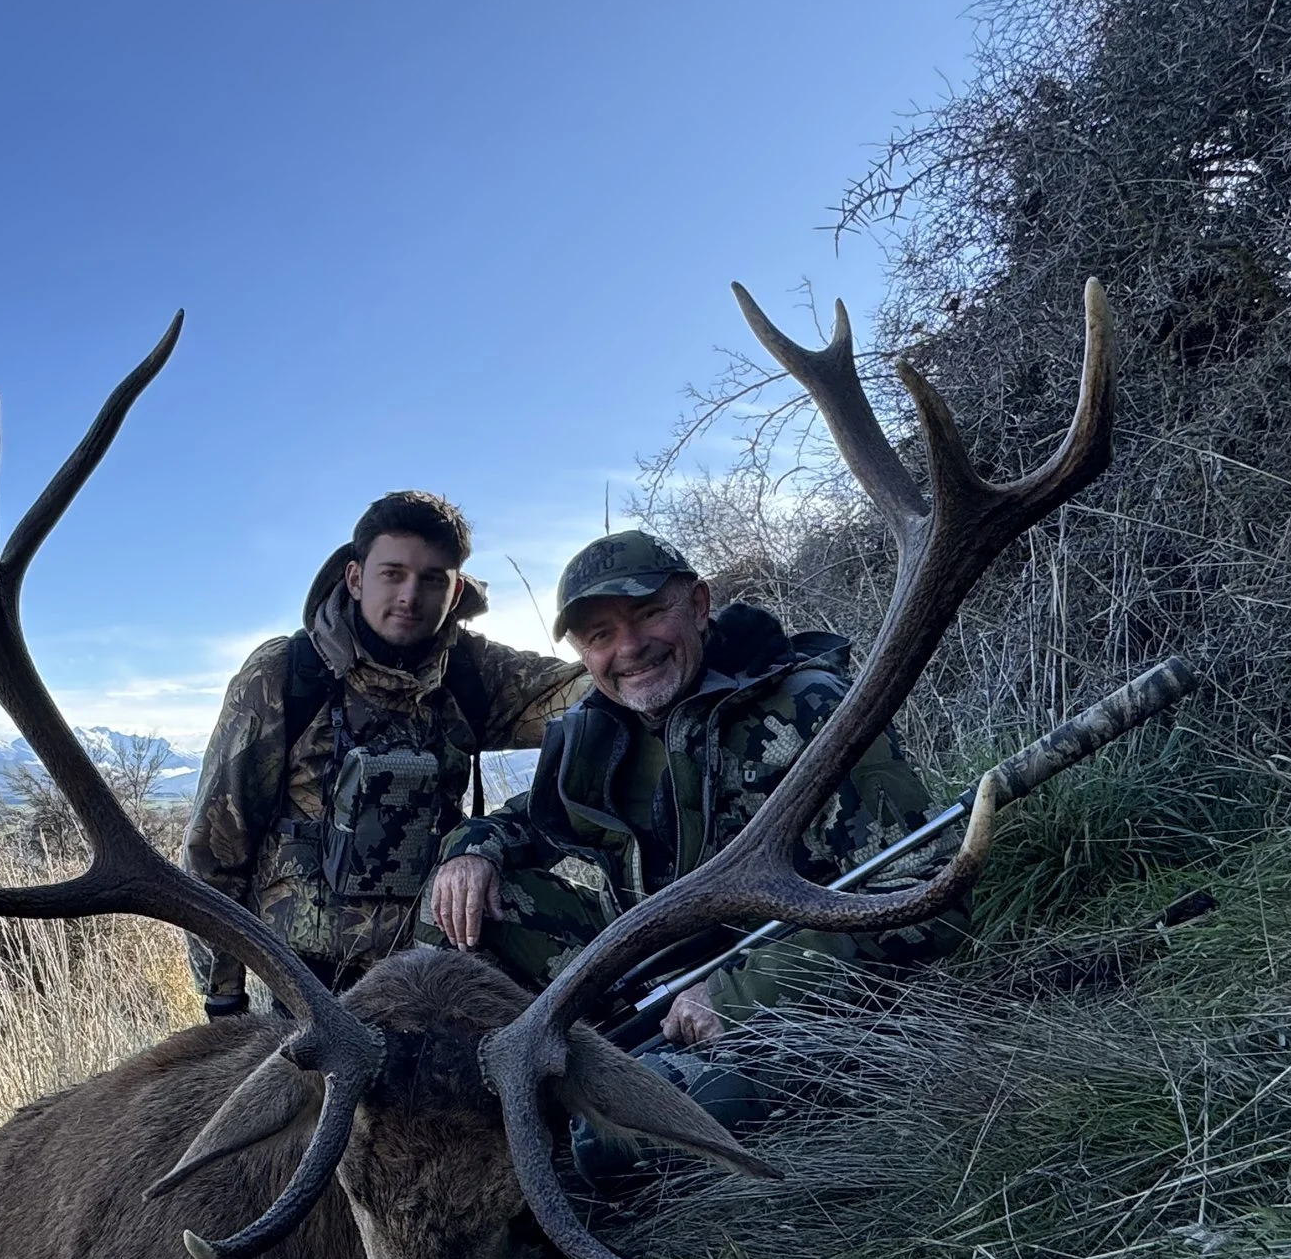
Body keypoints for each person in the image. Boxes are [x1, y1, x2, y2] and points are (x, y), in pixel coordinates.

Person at [422, 528, 960, 1163]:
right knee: (452, 925)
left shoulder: (809, 707)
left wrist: (739, 995)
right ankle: (450, 1109)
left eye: (649, 613)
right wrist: (471, 848)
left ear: (700, 605)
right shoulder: (597, 733)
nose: (630, 648)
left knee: (602, 1148)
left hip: (802, 998)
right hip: (660, 984)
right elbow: (526, 819)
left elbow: (924, 900)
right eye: (599, 634)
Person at [185, 491, 587, 1012]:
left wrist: (682, 640)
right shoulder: (284, 674)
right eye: (392, 574)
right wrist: (223, 1000)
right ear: (355, 578)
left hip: (437, 973)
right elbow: (215, 848)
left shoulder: (474, 671)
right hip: (307, 983)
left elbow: (596, 685)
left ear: (456, 587)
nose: (409, 596)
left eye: (432, 579)